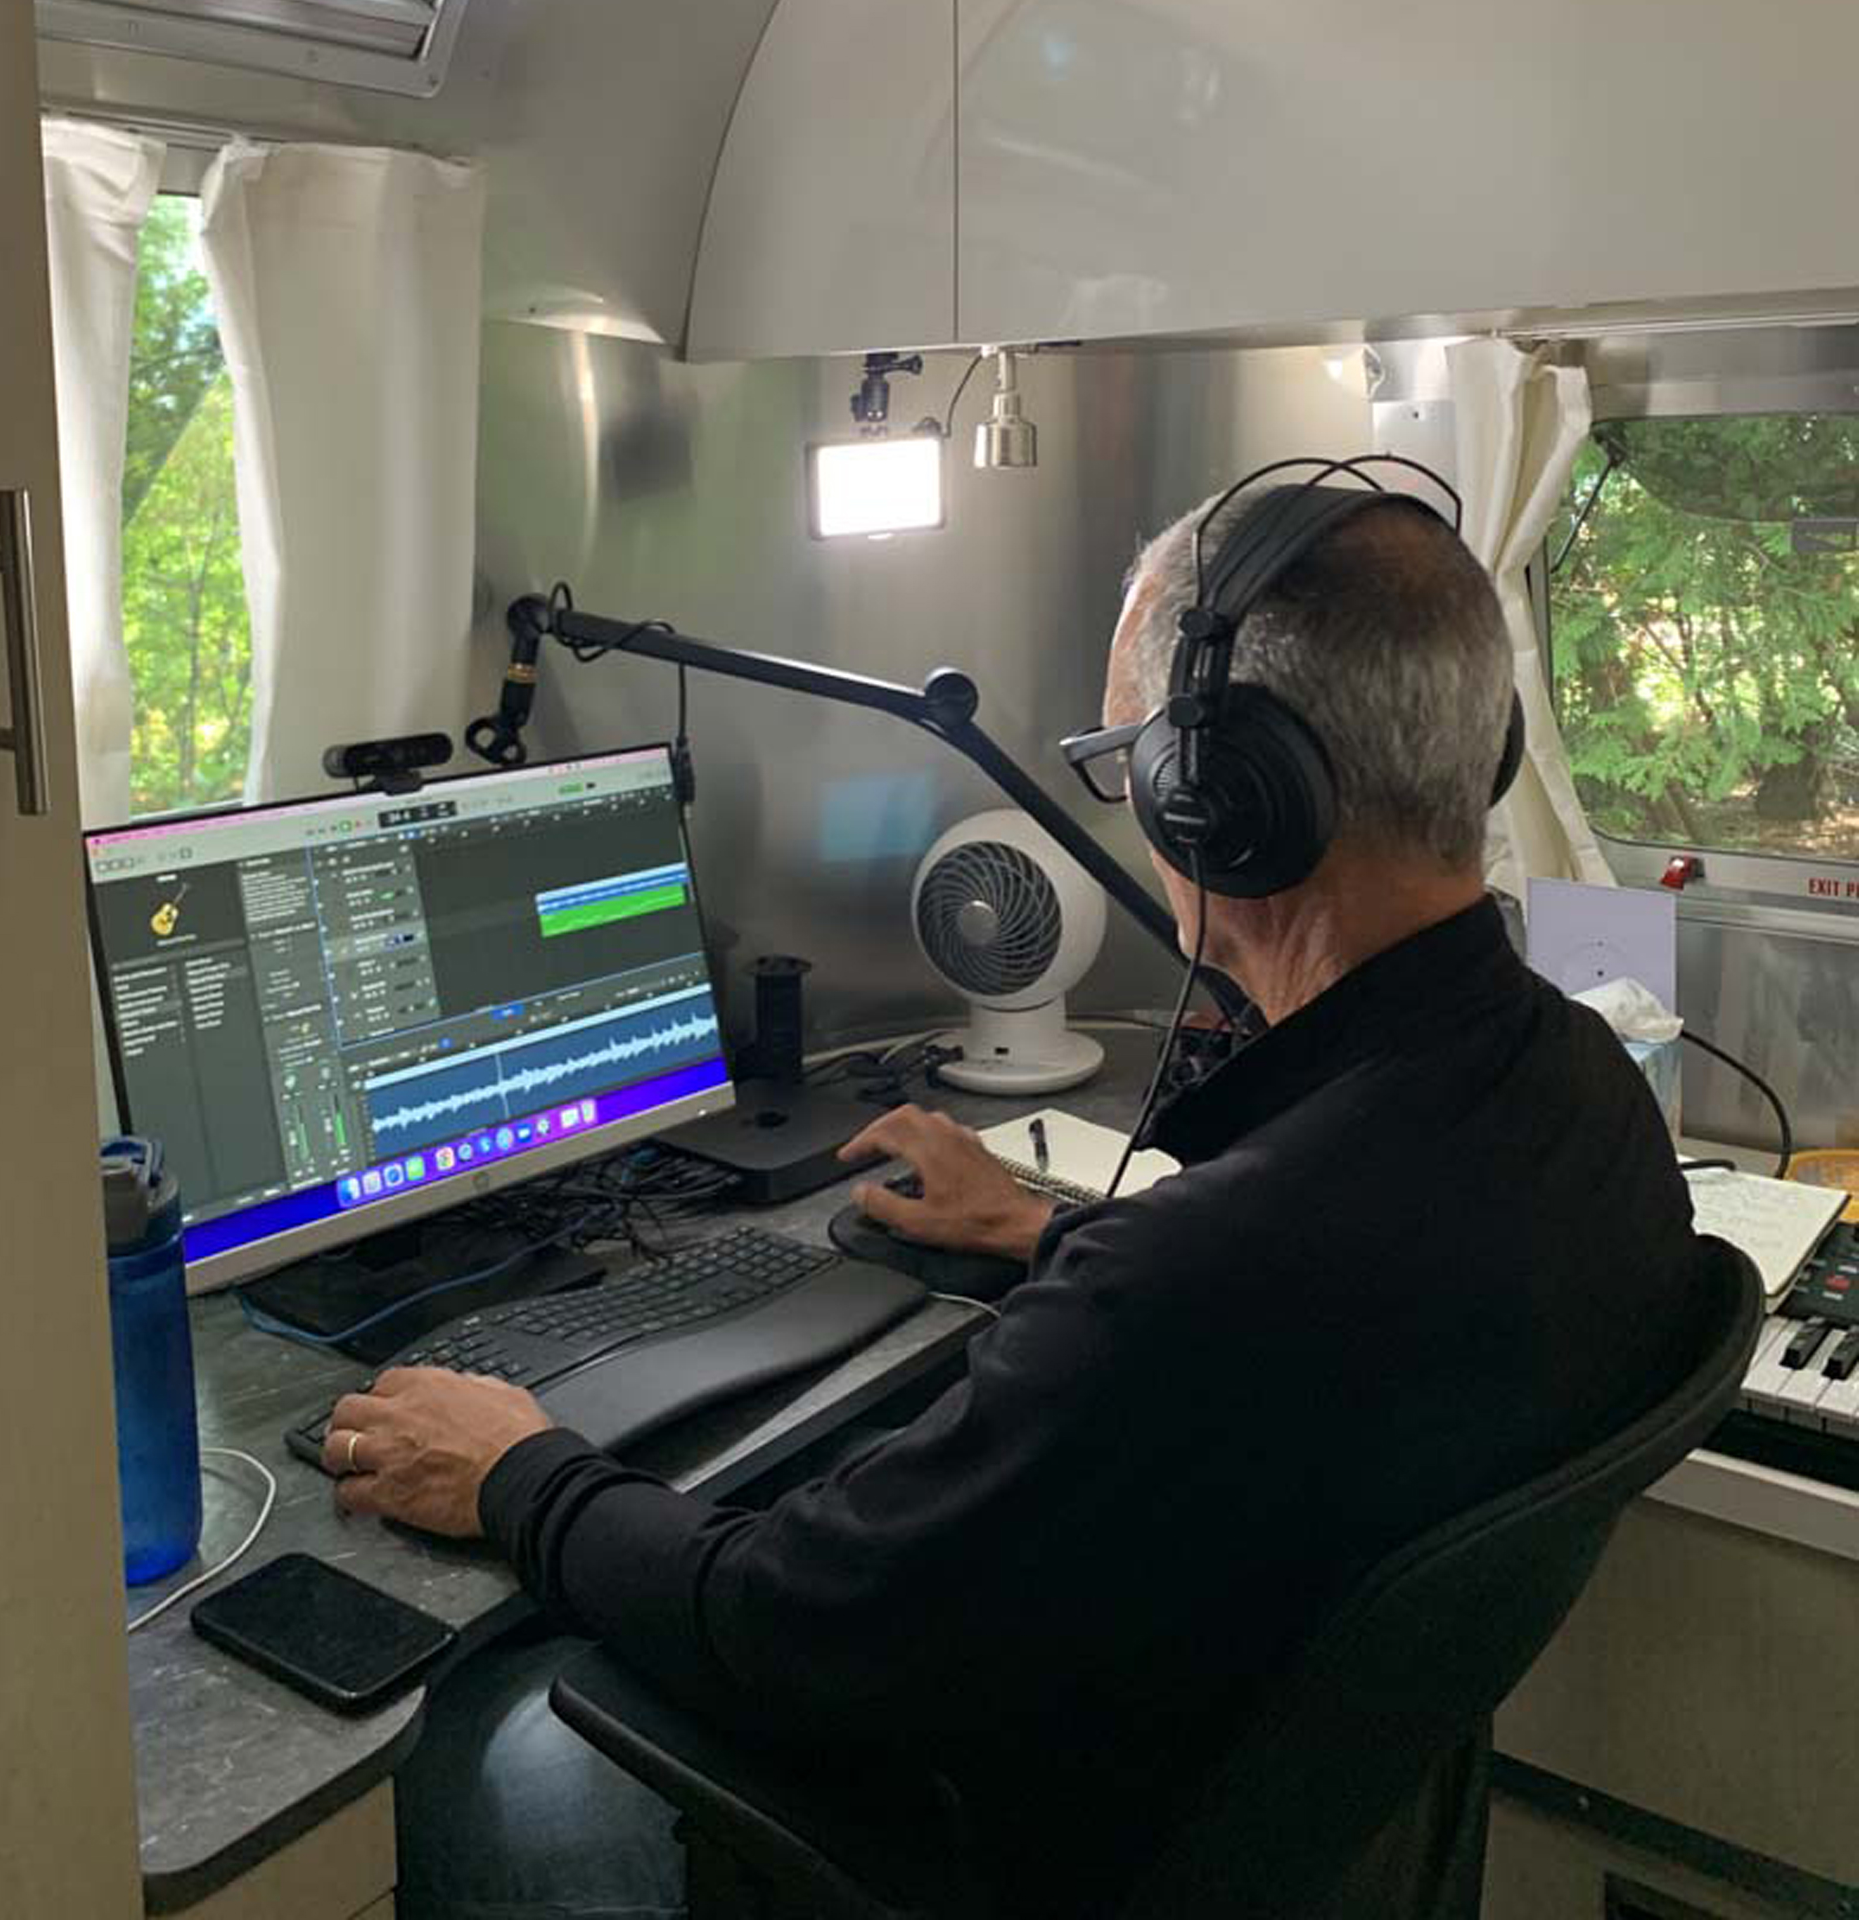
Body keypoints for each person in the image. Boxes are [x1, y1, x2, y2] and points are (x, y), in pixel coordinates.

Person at [352, 486, 1706, 1919]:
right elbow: (1336, 1334)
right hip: (1282, 1823)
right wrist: (1049, 1233)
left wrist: (519, 1473)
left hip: (1023, 1844)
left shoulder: (1198, 1282)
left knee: (480, 1734)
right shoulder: (1587, 1098)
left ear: (1221, 797)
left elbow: (780, 1625)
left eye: (1130, 759)